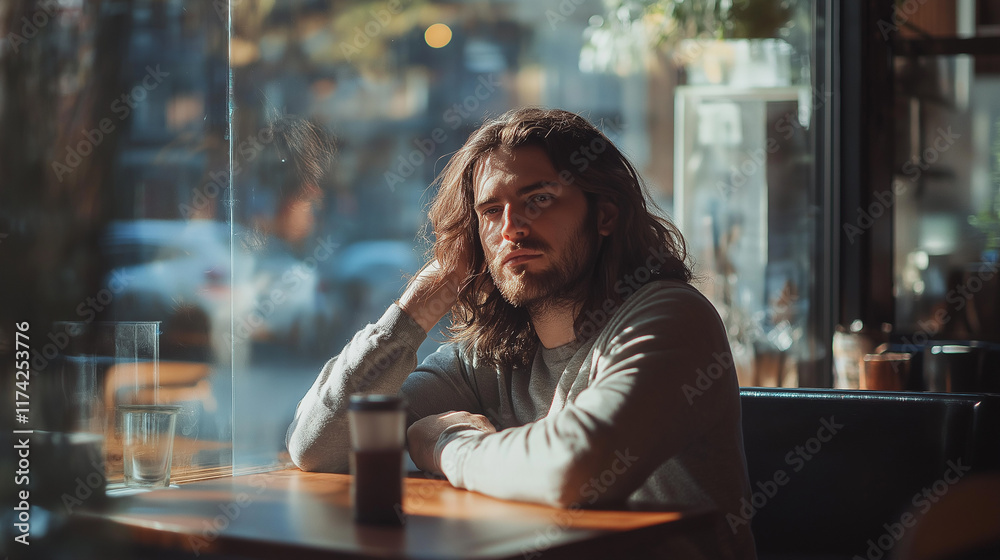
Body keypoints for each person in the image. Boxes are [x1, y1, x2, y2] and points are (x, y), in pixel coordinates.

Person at [286, 107, 756, 558]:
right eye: (491, 211)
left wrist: (445, 444)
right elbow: (317, 445)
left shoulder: (670, 317)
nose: (511, 228)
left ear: (605, 215)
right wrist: (421, 302)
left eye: (539, 200)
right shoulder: (485, 358)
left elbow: (576, 469)